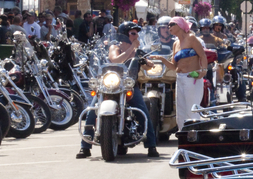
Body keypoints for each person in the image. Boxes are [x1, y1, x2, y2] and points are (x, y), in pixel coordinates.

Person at [77, 21, 159, 159]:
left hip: (128, 86)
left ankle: (151, 146)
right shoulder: (115, 47)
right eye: (133, 33)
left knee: (142, 111)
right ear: (124, 34)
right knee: (92, 111)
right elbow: (115, 60)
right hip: (110, 85)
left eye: (137, 33)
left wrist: (146, 62)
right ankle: (85, 147)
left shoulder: (138, 51)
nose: (136, 36)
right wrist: (132, 48)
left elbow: (148, 66)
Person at [153, 17, 207, 133]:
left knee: (191, 110)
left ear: (180, 25)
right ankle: (183, 136)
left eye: (172, 24)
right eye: (168, 25)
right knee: (180, 112)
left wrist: (204, 70)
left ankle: (193, 136)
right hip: (180, 78)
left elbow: (202, 55)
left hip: (191, 77)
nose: (169, 27)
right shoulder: (175, 44)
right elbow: (174, 66)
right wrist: (162, 59)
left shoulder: (191, 38)